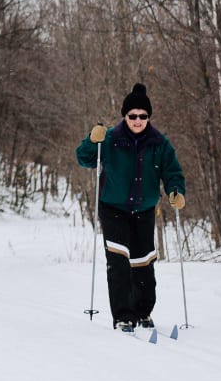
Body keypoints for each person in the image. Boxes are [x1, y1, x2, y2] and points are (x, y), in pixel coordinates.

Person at [75, 82, 185, 331]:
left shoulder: (159, 143)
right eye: (133, 116)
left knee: (143, 262)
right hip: (113, 207)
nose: (137, 120)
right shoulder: (111, 138)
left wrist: (175, 191)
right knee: (118, 262)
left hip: (144, 209)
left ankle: (142, 311)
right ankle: (123, 315)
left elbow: (172, 172)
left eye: (142, 116)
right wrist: (93, 141)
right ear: (125, 116)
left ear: (148, 117)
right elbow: (84, 158)